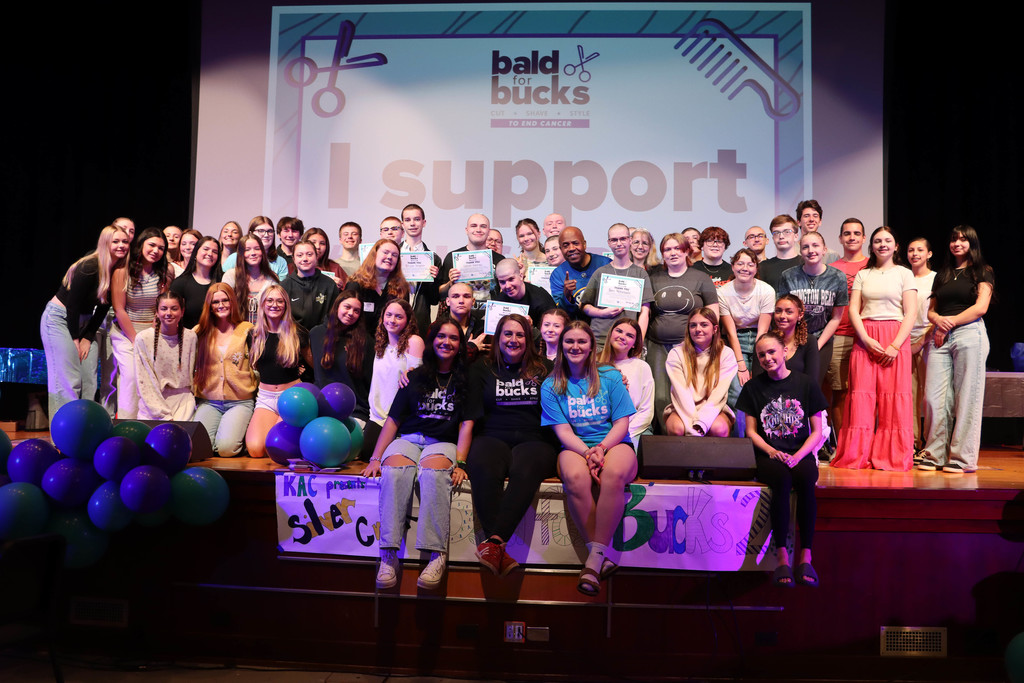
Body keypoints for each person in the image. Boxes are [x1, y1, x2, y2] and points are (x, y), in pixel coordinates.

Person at [363, 318, 476, 590]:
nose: (446, 342)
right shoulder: (413, 376)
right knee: (394, 471)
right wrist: (376, 458)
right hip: (409, 439)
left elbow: (467, 424)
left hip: (442, 442)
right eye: (441, 336)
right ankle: (388, 555)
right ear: (431, 341)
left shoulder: (468, 380)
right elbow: (393, 420)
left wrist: (461, 462)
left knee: (434, 474)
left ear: (460, 345)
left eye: (453, 338)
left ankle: (436, 555)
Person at [541, 321, 636, 596]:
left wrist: (602, 448)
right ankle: (600, 558)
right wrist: (587, 452)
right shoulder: (550, 385)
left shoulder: (610, 376)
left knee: (613, 475)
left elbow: (622, 423)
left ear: (592, 346)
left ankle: (593, 560)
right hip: (575, 446)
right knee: (574, 476)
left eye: (582, 341)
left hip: (614, 442)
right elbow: (562, 431)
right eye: (569, 341)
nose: (575, 346)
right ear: (561, 346)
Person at [466, 314, 555, 575]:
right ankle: (498, 548)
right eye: (507, 334)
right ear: (498, 337)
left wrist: (612, 372)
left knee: (525, 468)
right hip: (492, 435)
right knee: (483, 463)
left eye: (520, 335)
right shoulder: (481, 368)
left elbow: (578, 374)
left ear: (528, 340)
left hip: (535, 438)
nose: (513, 340)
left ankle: (493, 543)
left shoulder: (545, 368)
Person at [736, 331, 826, 587]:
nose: (767, 358)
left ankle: (806, 556)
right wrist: (771, 451)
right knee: (782, 481)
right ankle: (782, 557)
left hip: (800, 453)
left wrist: (798, 456)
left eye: (771, 352)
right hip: (769, 454)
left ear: (784, 351)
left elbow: (817, 431)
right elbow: (751, 431)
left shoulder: (806, 384)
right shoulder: (753, 387)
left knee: (806, 480)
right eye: (761, 355)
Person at [833, 227, 917, 471]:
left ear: (896, 246)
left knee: (894, 399)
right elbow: (853, 309)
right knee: (861, 397)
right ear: (871, 245)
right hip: (865, 337)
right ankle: (857, 455)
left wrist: (895, 345)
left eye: (888, 240)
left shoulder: (904, 273)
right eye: (878, 241)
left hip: (895, 337)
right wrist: (866, 339)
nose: (883, 244)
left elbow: (911, 312)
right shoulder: (863, 274)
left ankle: (892, 457)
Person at [918, 226, 994, 474]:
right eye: (953, 239)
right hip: (941, 335)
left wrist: (949, 322)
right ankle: (935, 454)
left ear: (972, 243)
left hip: (969, 333)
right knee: (934, 397)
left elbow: (981, 307)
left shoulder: (982, 271)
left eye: (963, 239)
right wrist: (939, 320)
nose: (957, 243)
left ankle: (963, 458)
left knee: (967, 396)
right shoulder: (942, 274)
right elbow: (931, 310)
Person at [41, 224, 130, 418]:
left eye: (124, 241)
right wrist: (75, 338)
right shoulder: (90, 266)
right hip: (60, 319)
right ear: (105, 243)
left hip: (85, 322)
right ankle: (64, 429)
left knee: (89, 379)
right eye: (115, 241)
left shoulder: (117, 270)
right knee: (67, 379)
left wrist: (88, 337)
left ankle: (84, 425)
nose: (121, 245)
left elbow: (104, 307)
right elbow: (72, 305)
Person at [646, 232, 717, 429]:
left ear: (686, 251)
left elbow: (712, 313)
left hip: (691, 347)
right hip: (658, 346)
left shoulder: (701, 278)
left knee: (691, 394)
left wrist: (706, 343)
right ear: (662, 254)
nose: (673, 253)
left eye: (677, 248)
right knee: (660, 396)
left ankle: (692, 434)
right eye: (667, 249)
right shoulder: (653, 278)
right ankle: (666, 437)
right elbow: (646, 312)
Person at [110, 228, 174, 419]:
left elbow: (161, 308)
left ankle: (147, 422)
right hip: (125, 333)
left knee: (152, 379)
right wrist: (136, 339)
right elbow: (119, 309)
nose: (156, 251)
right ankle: (126, 423)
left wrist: (152, 334)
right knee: (131, 376)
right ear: (141, 245)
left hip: (151, 332)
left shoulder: (164, 273)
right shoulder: (122, 272)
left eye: (161, 248)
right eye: (152, 245)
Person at [244, 285, 312, 459]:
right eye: (270, 300)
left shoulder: (298, 332)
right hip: (265, 398)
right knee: (255, 450)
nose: (274, 305)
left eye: (279, 301)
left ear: (286, 304)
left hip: (291, 398)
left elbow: (313, 364)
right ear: (262, 304)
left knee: (278, 449)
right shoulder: (253, 335)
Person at [192, 284, 257, 458]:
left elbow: (257, 364)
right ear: (209, 305)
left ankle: (235, 436)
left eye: (225, 300)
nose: (221, 305)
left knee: (226, 449)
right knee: (197, 447)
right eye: (215, 302)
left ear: (232, 301)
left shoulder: (247, 329)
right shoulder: (199, 332)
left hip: (239, 401)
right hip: (209, 401)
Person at [776, 232, 848, 385]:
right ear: (800, 251)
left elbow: (836, 317)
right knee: (790, 383)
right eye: (805, 247)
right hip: (792, 341)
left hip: (822, 340)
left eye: (815, 245)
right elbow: (782, 313)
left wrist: (816, 345)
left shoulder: (838, 277)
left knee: (812, 385)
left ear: (824, 250)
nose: (811, 250)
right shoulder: (788, 276)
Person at [309, 291, 372, 458]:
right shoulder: (316, 333)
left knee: (337, 449)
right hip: (322, 407)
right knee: (318, 448)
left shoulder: (365, 341)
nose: (351, 313)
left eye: (356, 311)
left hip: (353, 410)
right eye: (347, 307)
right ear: (337, 306)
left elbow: (368, 382)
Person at [717, 248, 775, 428]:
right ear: (733, 266)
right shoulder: (723, 292)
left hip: (761, 340)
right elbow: (731, 332)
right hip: (735, 341)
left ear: (756, 268)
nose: (745, 268)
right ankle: (740, 439)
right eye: (740, 263)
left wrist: (758, 362)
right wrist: (741, 365)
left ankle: (763, 436)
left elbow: (763, 332)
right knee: (737, 392)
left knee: (762, 389)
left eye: (750, 264)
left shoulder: (766, 290)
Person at [824, 218, 869, 436]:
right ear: (840, 238)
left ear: (864, 238)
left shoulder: (872, 266)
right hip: (840, 336)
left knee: (865, 393)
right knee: (839, 392)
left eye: (856, 233)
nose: (852, 237)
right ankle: (842, 443)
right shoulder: (831, 269)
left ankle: (864, 440)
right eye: (847, 233)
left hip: (867, 337)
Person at [664, 308, 737, 437]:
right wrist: (692, 424)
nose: (698, 329)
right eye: (693, 325)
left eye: (704, 325)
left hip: (713, 407)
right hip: (682, 407)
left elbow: (718, 394)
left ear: (715, 329)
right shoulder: (676, 353)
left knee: (719, 429)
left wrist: (703, 421)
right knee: (677, 429)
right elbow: (682, 393)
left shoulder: (726, 353)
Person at [365, 299, 425, 455]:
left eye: (399, 317)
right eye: (389, 315)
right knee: (366, 453)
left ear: (408, 320)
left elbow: (419, 379)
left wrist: (412, 371)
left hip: (399, 417)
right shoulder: (381, 343)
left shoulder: (414, 341)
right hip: (377, 416)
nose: (392, 320)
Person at [579, 223, 654, 346]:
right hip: (600, 340)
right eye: (614, 240)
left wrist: (638, 342)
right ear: (609, 243)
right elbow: (584, 306)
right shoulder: (600, 272)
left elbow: (644, 312)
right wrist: (602, 313)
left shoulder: (640, 274)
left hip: (626, 341)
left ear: (630, 240)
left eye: (623, 239)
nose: (619, 243)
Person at [133, 291, 198, 420]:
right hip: (153, 404)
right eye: (164, 309)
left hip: (183, 403)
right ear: (157, 312)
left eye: (174, 308)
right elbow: (144, 381)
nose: (169, 313)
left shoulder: (190, 337)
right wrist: (162, 414)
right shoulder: (144, 338)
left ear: (182, 311)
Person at [598, 318, 654, 448]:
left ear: (634, 343)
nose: (622, 337)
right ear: (611, 333)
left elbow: (646, 410)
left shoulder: (642, 367)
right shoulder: (593, 363)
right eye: (619, 331)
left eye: (629, 335)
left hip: (632, 429)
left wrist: (621, 434)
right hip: (598, 430)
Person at [906, 237, 936, 455]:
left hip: (929, 342)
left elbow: (939, 313)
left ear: (929, 254)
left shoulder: (936, 279)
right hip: (905, 343)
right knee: (910, 396)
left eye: (920, 250)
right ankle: (913, 442)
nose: (915, 254)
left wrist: (922, 341)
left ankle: (932, 445)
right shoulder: (903, 277)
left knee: (930, 397)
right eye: (911, 250)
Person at [343, 238, 409, 336]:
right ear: (374, 255)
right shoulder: (355, 284)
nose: (389, 257)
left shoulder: (401, 289)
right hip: (357, 341)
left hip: (388, 342)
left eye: (394, 255)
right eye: (385, 252)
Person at [437, 213, 502, 307]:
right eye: (473, 226)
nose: (478, 230)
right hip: (459, 314)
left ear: (488, 231)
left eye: (483, 226)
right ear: (466, 230)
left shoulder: (500, 260)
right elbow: (439, 294)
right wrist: (450, 283)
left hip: (489, 314)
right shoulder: (452, 257)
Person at [550, 226, 611, 320]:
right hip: (576, 326)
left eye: (575, 243)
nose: (571, 248)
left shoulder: (605, 264)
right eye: (566, 245)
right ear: (561, 249)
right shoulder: (558, 274)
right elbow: (560, 314)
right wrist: (566, 295)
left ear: (584, 244)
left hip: (604, 323)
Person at [400, 204, 442, 336]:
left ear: (424, 223)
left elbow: (434, 300)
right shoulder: (393, 254)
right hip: (395, 318)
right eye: (408, 220)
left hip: (421, 322)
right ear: (402, 224)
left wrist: (433, 280)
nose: (412, 223)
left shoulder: (433, 259)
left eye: (417, 219)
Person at [281, 239, 338, 332]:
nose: (305, 259)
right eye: (300, 255)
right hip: (292, 336)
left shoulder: (329, 285)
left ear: (316, 257)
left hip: (322, 335)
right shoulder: (285, 286)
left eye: (309, 254)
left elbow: (334, 316)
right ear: (294, 259)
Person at [223, 234, 279, 325]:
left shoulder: (272, 278)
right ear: (241, 253)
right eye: (247, 249)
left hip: (264, 330)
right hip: (236, 330)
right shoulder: (231, 276)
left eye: (257, 249)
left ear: (262, 252)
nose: (253, 253)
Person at [170, 236, 223, 329]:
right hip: (189, 335)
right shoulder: (180, 283)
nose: (210, 254)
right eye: (206, 249)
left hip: (218, 335)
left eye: (215, 252)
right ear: (195, 253)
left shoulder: (223, 281)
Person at [493, 258, 556, 331]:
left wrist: (531, 330)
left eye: (511, 279)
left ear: (521, 276)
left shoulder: (542, 301)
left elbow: (553, 333)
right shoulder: (500, 301)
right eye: (502, 282)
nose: (507, 286)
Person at [222, 216, 289, 280]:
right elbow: (223, 285)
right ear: (251, 233)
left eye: (269, 231)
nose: (266, 235)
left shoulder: (280, 262)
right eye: (261, 231)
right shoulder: (234, 258)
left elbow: (281, 287)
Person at [445, 282, 488, 359]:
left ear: (473, 301)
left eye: (466, 296)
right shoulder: (437, 328)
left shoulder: (484, 329)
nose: (461, 301)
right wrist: (472, 347)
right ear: (448, 301)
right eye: (456, 296)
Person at [759, 215, 802, 291]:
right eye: (776, 233)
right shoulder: (763, 267)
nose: (781, 236)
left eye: (787, 232)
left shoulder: (805, 264)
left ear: (796, 236)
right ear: (773, 238)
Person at [796, 199, 839, 264]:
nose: (811, 219)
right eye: (806, 216)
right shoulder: (790, 252)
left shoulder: (832, 257)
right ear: (798, 222)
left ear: (820, 221)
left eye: (815, 216)